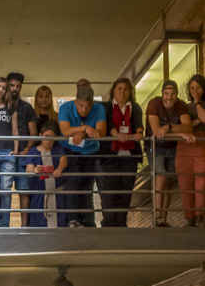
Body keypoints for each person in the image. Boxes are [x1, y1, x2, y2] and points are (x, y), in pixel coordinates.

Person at [57, 79, 107, 227]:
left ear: (93, 104)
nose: (84, 110)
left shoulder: (99, 108)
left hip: (90, 152)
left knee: (87, 188)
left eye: (88, 106)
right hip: (70, 151)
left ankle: (88, 222)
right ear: (75, 102)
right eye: (80, 105)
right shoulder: (65, 108)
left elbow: (101, 131)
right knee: (72, 185)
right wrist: (85, 128)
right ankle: (73, 220)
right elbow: (65, 131)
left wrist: (83, 134)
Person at [99, 76, 144, 227]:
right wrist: (117, 135)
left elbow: (138, 124)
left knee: (125, 192)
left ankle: (122, 224)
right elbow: (108, 124)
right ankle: (109, 224)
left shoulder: (135, 107)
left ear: (130, 92)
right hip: (110, 158)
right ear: (113, 90)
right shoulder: (106, 107)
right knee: (109, 193)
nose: (122, 92)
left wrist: (139, 133)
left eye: (126, 89)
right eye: (119, 89)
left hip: (129, 157)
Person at [146, 80, 190, 228]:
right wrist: (180, 133)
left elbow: (188, 128)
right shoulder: (154, 104)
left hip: (172, 147)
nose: (169, 97)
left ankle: (163, 219)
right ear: (162, 94)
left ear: (176, 95)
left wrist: (169, 127)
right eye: (166, 93)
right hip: (155, 147)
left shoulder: (181, 105)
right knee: (161, 177)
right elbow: (157, 132)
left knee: (168, 182)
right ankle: (157, 217)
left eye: (172, 94)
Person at [178, 74, 205, 226]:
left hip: (202, 142)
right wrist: (191, 125)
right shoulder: (183, 107)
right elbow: (182, 127)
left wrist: (197, 102)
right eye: (192, 88)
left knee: (201, 180)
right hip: (185, 145)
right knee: (185, 182)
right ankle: (189, 218)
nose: (194, 91)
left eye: (198, 88)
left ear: (204, 89)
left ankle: (200, 215)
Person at [25, 125, 67, 227]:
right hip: (39, 197)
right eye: (46, 136)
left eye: (52, 137)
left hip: (57, 196)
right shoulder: (33, 151)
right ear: (40, 135)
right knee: (39, 226)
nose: (49, 141)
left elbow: (63, 159)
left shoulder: (58, 149)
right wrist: (34, 170)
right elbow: (28, 169)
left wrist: (59, 169)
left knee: (59, 225)